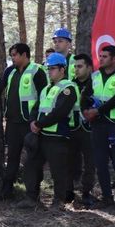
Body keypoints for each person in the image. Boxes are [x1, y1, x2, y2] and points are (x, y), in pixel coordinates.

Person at [25, 52, 79, 207]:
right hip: (41, 135)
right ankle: (31, 198)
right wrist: (33, 122)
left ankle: (59, 201)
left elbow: (60, 112)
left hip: (58, 136)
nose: (49, 72)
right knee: (32, 166)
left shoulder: (68, 88)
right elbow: (36, 108)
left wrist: (39, 124)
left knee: (58, 171)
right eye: (48, 69)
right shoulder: (46, 89)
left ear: (62, 70)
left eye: (53, 68)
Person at [83, 43, 115, 206]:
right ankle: (107, 197)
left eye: (105, 56)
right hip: (97, 125)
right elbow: (86, 95)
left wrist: (97, 111)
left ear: (114, 59)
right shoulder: (95, 75)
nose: (101, 59)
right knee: (100, 161)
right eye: (100, 56)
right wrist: (86, 111)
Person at [0, 43, 45, 199]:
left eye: (15, 55)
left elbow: (43, 96)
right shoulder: (10, 71)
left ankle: (32, 194)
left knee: (32, 158)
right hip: (12, 122)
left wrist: (37, 121)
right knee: (12, 157)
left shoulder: (37, 71)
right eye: (11, 55)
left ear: (25, 55)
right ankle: (6, 191)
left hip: (29, 123)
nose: (12, 58)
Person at [68, 53, 97, 206]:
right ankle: (71, 190)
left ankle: (87, 192)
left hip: (90, 128)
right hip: (72, 128)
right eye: (75, 66)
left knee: (90, 162)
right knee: (71, 160)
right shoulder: (70, 84)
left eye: (80, 66)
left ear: (89, 68)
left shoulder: (96, 84)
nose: (76, 70)